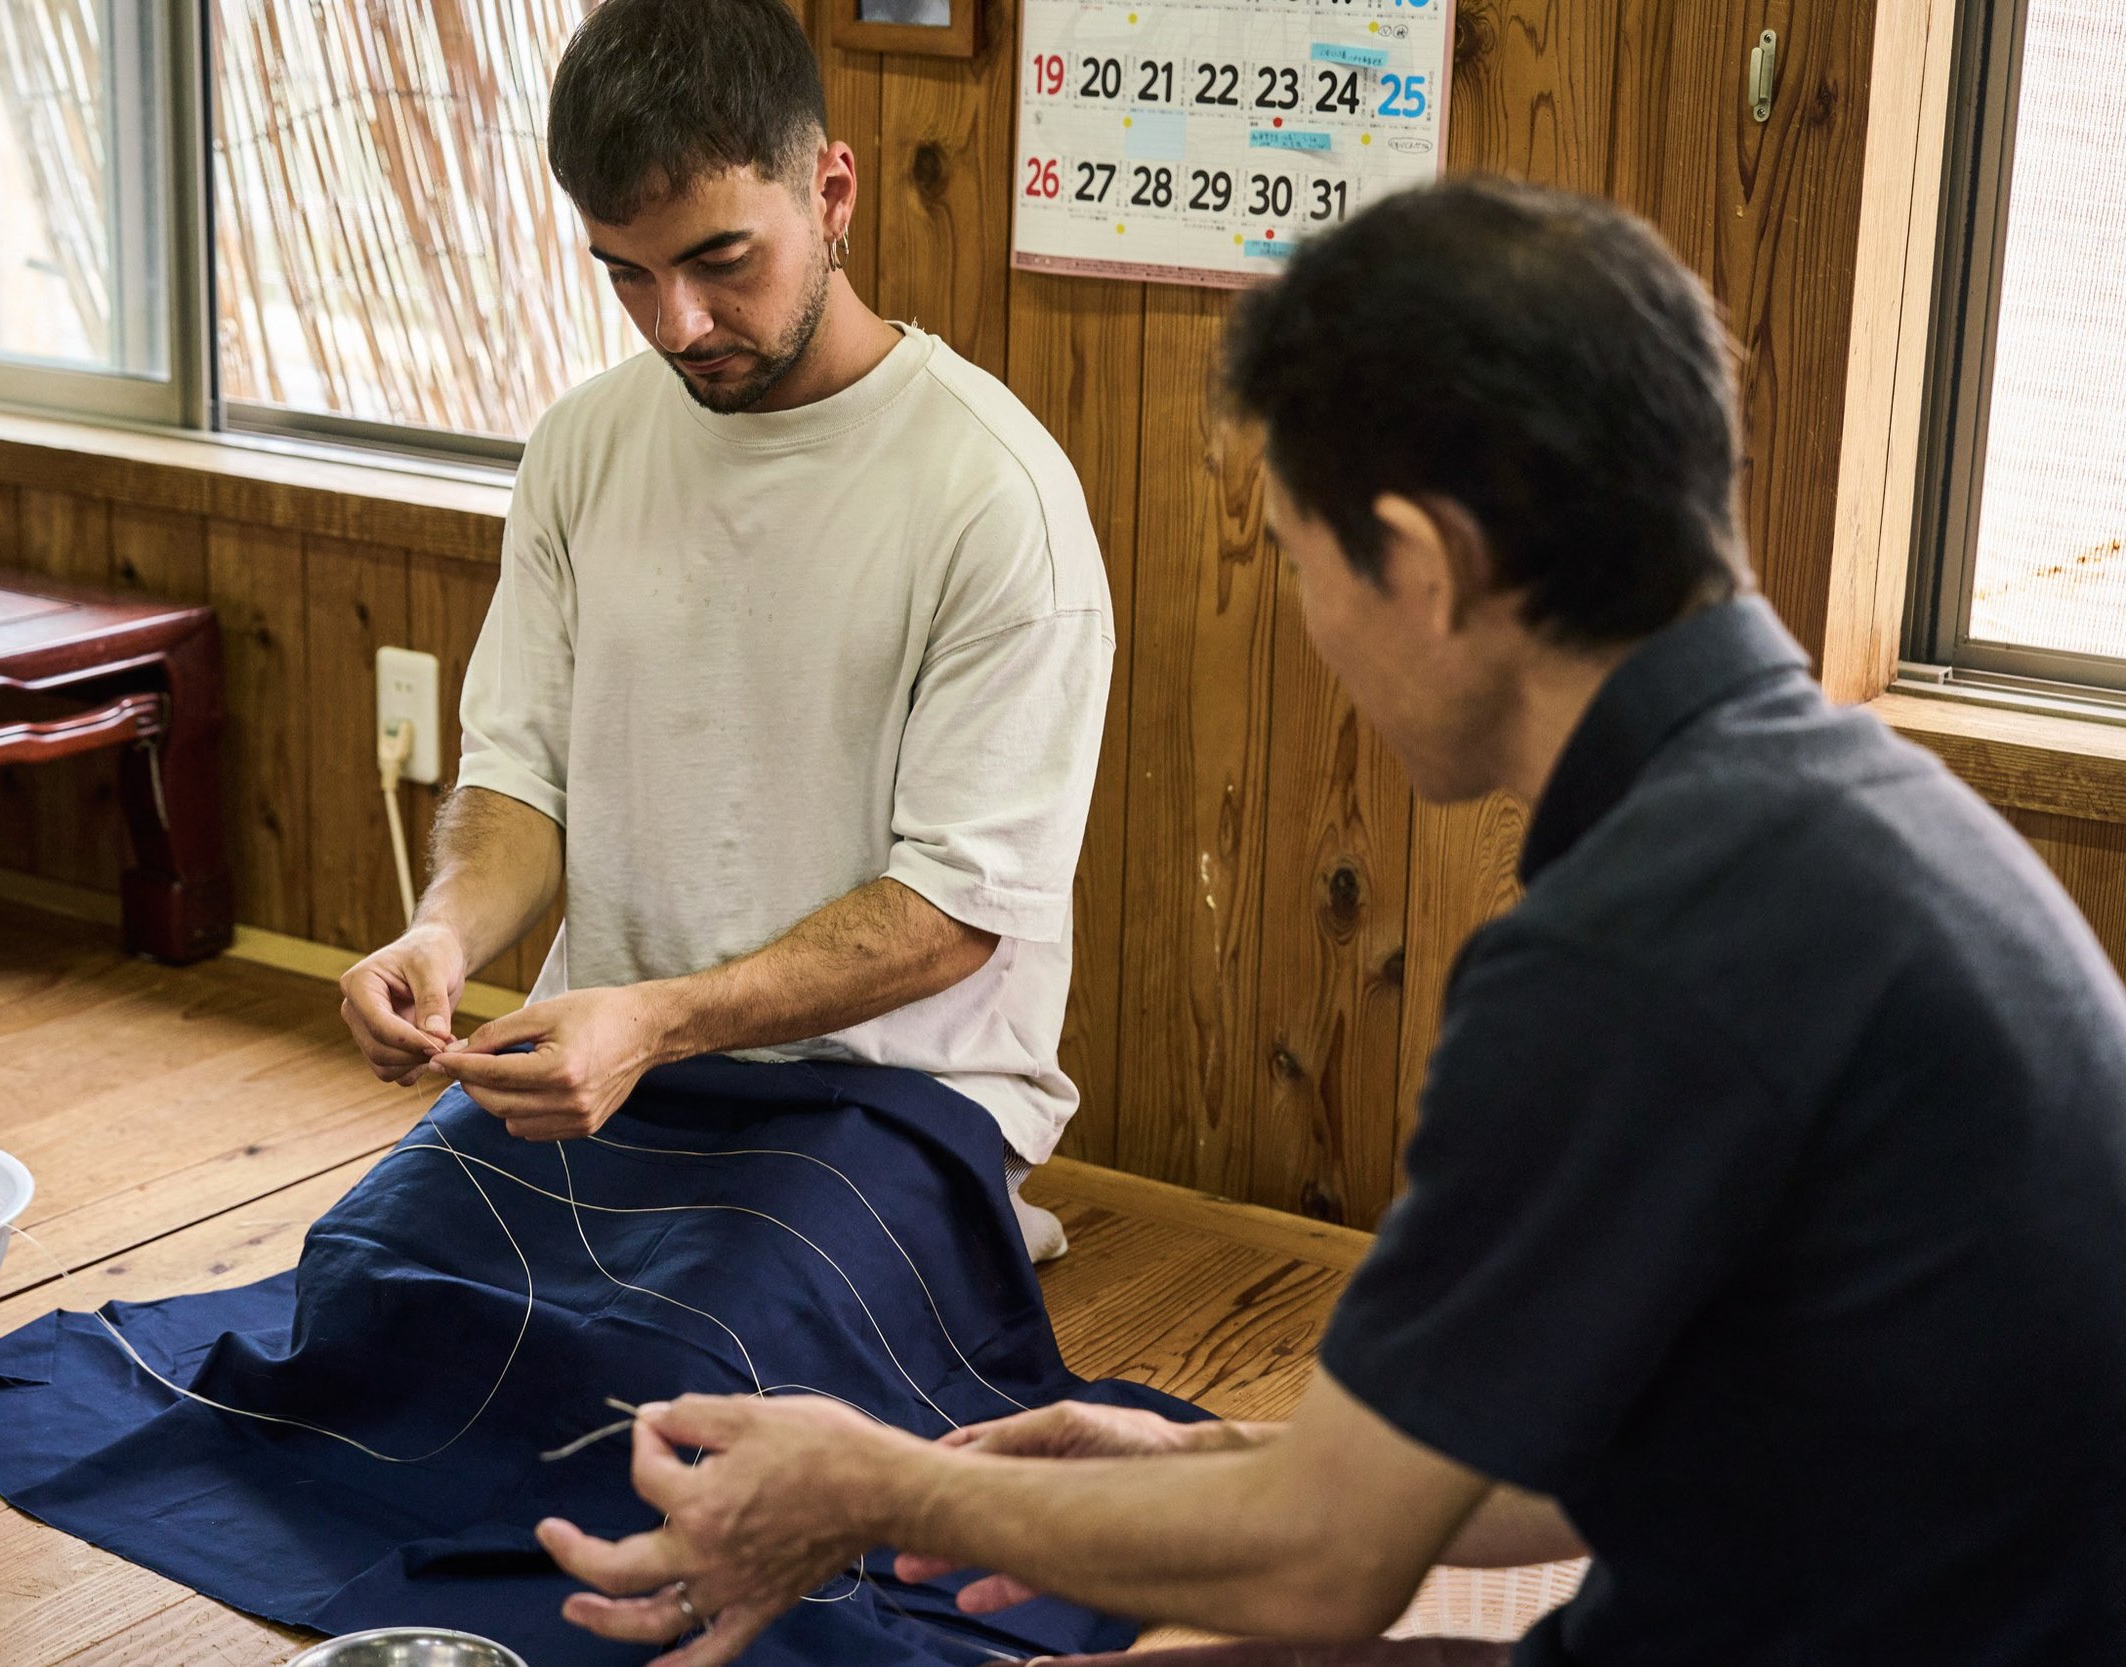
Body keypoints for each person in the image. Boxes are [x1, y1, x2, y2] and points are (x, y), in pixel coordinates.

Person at [535, 179, 2126, 1665]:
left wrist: (876, 1484)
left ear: (1423, 565)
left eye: (1302, 561)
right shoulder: (1839, 809)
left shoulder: (1636, 944)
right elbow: (1652, 1437)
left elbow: (1325, 1563)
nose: (1314, 621)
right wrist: (1207, 1450)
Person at [335, 0, 1112, 1262]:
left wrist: (657, 1019)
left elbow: (956, 908)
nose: (677, 324)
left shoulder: (992, 492)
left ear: (832, 193)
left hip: (894, 1099)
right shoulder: (584, 445)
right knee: (365, 1289)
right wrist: (444, 932)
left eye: (720, 260)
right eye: (627, 273)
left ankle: (969, 1241)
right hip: (614, 1061)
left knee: (689, 1360)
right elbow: (520, 773)